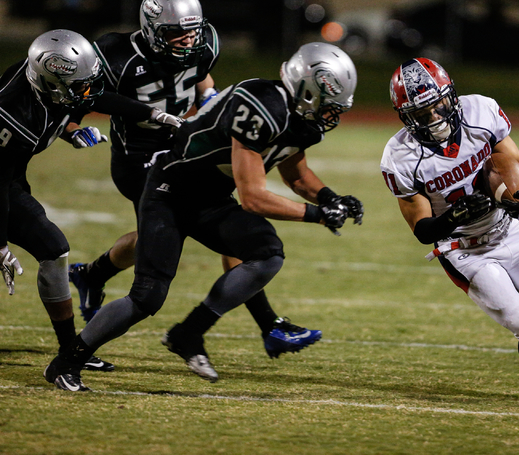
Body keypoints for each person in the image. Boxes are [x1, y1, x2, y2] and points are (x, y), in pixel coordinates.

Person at [45, 42, 364, 391]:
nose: (333, 114)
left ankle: (188, 333)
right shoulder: (261, 105)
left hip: (209, 198)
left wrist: (333, 198)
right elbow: (254, 198)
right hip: (170, 190)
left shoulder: (300, 119)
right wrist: (319, 214)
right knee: (146, 298)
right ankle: (67, 361)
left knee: (267, 252)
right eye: (329, 104)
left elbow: (297, 174)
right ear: (305, 90)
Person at [68, 0, 322, 359]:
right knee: (209, 223)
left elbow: (202, 76)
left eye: (193, 31)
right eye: (177, 33)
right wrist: (79, 130)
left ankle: (94, 274)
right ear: (153, 29)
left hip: (180, 150)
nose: (188, 40)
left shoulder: (204, 44)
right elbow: (83, 97)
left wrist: (209, 100)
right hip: (137, 158)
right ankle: (269, 325)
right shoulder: (116, 53)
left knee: (168, 232)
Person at [380, 57, 519, 403]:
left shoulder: (481, 112)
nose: (433, 118)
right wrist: (455, 215)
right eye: (420, 114)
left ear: (451, 96)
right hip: (462, 249)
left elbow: (513, 161)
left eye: (437, 105)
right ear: (405, 117)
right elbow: (423, 229)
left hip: (506, 230)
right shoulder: (399, 156)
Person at [0, 29, 182, 381]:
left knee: (55, 252)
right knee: (52, 246)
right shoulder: (13, 112)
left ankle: (71, 350)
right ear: (49, 81)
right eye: (77, 84)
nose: (86, 90)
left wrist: (154, 115)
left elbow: (97, 99)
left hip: (9, 179)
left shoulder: (49, 82)